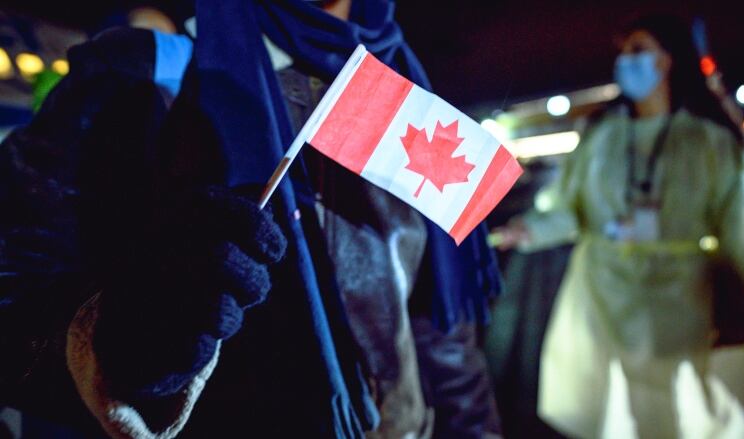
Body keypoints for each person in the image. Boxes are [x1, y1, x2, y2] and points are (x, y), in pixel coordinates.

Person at [0, 0, 503, 437]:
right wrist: (122, 348)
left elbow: (439, 332)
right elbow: (13, 301)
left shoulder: (409, 97)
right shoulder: (140, 70)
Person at [492, 14, 744, 438]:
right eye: (623, 52)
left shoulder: (711, 141)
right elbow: (573, 207)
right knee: (621, 409)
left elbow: (739, 234)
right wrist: (530, 230)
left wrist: (741, 311)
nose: (626, 61)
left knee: (683, 411)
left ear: (669, 60)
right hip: (607, 297)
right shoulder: (601, 136)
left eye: (639, 50)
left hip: (683, 302)